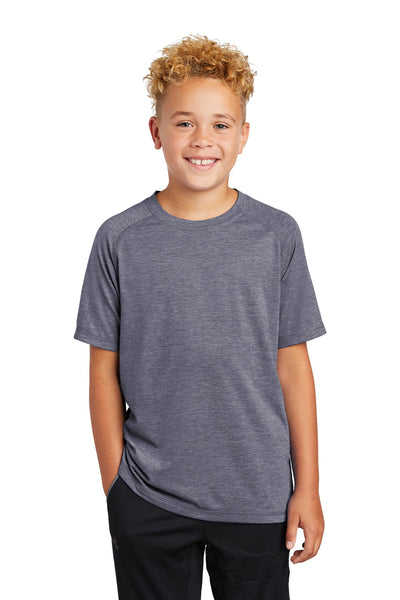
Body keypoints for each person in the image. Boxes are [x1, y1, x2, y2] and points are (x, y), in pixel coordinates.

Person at [74, 34, 327, 600]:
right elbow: (102, 369)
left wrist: (307, 487)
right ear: (156, 131)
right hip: (149, 494)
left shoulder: (275, 234)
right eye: (184, 122)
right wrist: (116, 485)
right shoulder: (120, 238)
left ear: (243, 136)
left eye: (220, 124)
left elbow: (293, 366)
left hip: (257, 494)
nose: (202, 140)